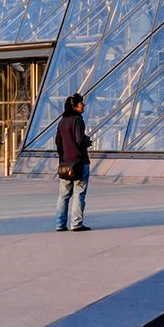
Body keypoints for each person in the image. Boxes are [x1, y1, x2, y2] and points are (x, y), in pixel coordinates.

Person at [54, 93, 92, 232]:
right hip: (79, 162)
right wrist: (87, 141)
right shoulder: (78, 120)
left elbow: (58, 142)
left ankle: (60, 224)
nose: (83, 105)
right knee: (79, 193)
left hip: (65, 163)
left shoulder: (62, 122)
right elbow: (80, 140)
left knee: (63, 195)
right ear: (74, 106)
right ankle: (76, 223)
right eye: (81, 103)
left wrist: (63, 158)